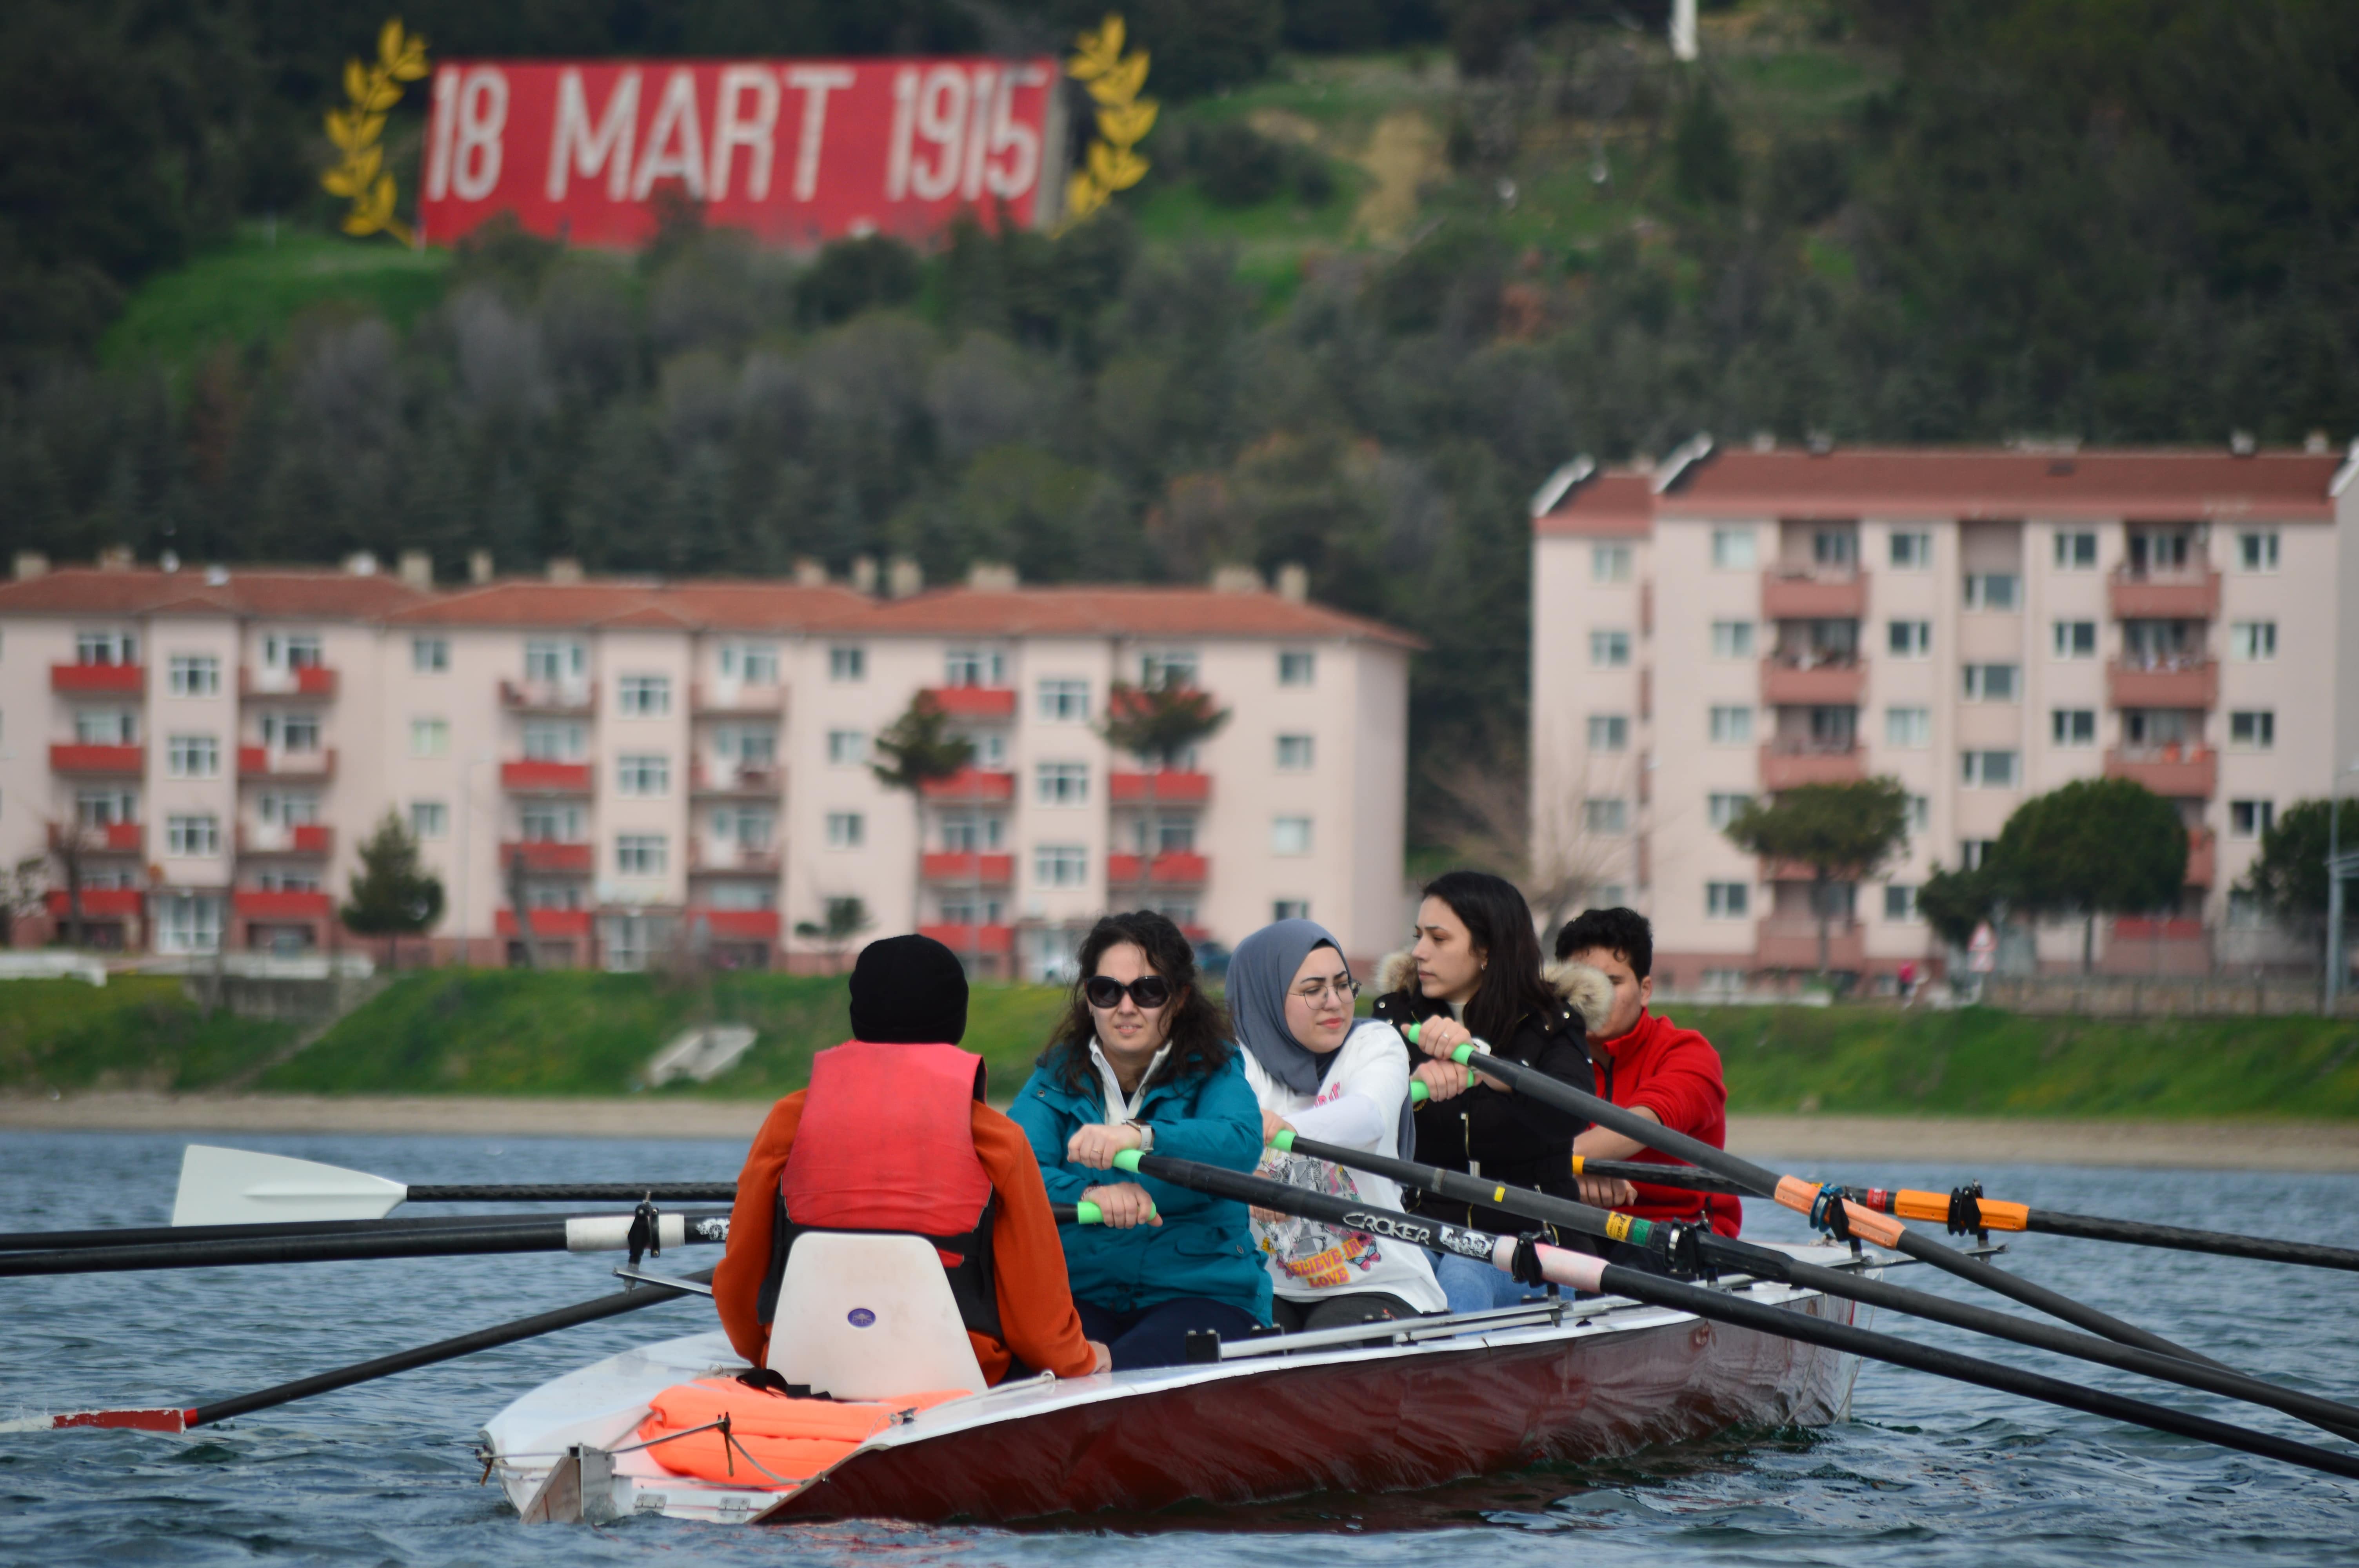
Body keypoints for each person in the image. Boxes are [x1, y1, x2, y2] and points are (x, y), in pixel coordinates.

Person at [711, 934, 1110, 1385]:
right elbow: (1036, 1313)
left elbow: (740, 1277)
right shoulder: (997, 1139)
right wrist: (1081, 1358)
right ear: (954, 1022)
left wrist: (763, 1349)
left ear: (857, 1016)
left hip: (802, 1356)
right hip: (955, 1369)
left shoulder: (788, 1121)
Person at [1010, 911, 1271, 1367]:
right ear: (1089, 1000)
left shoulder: (1217, 1066)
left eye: (1148, 990)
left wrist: (1139, 1136)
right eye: (1107, 991)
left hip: (1202, 1291)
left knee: (1122, 1371)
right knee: (1029, 1365)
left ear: (1179, 999)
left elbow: (1240, 1141)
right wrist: (1092, 1193)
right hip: (1085, 1291)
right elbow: (1016, 1171)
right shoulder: (1053, 1074)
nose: (1126, 1007)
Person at [1374, 870, 1610, 1314]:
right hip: (1423, 1228)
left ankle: (1448, 1379)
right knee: (1391, 1276)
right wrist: (1414, 1088)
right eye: (1417, 935)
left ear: (1487, 950)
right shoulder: (1396, 1018)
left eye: (1438, 938)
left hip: (1535, 1237)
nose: (1418, 952)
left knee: (1465, 1275)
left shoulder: (1550, 1022)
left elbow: (1572, 1110)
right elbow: (1363, 1111)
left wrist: (1482, 1064)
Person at [1230, 918, 1445, 1331]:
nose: (1335, 1001)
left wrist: (1275, 1133)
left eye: (1343, 985)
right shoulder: (1234, 1062)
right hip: (1261, 1281)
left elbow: (1367, 1118)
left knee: (1328, 1358)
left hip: (1378, 1280)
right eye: (1313, 990)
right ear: (1267, 998)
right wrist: (1240, 1162)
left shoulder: (1375, 1043)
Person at [1556, 907, 1742, 1238]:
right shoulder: (1547, 1054)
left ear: (1645, 990)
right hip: (1580, 1224)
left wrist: (1555, 1168)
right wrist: (1573, 1177)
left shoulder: (1688, 1053)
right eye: (1582, 984)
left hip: (1679, 1232)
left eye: (1612, 982)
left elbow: (1638, 1128)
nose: (1595, 997)